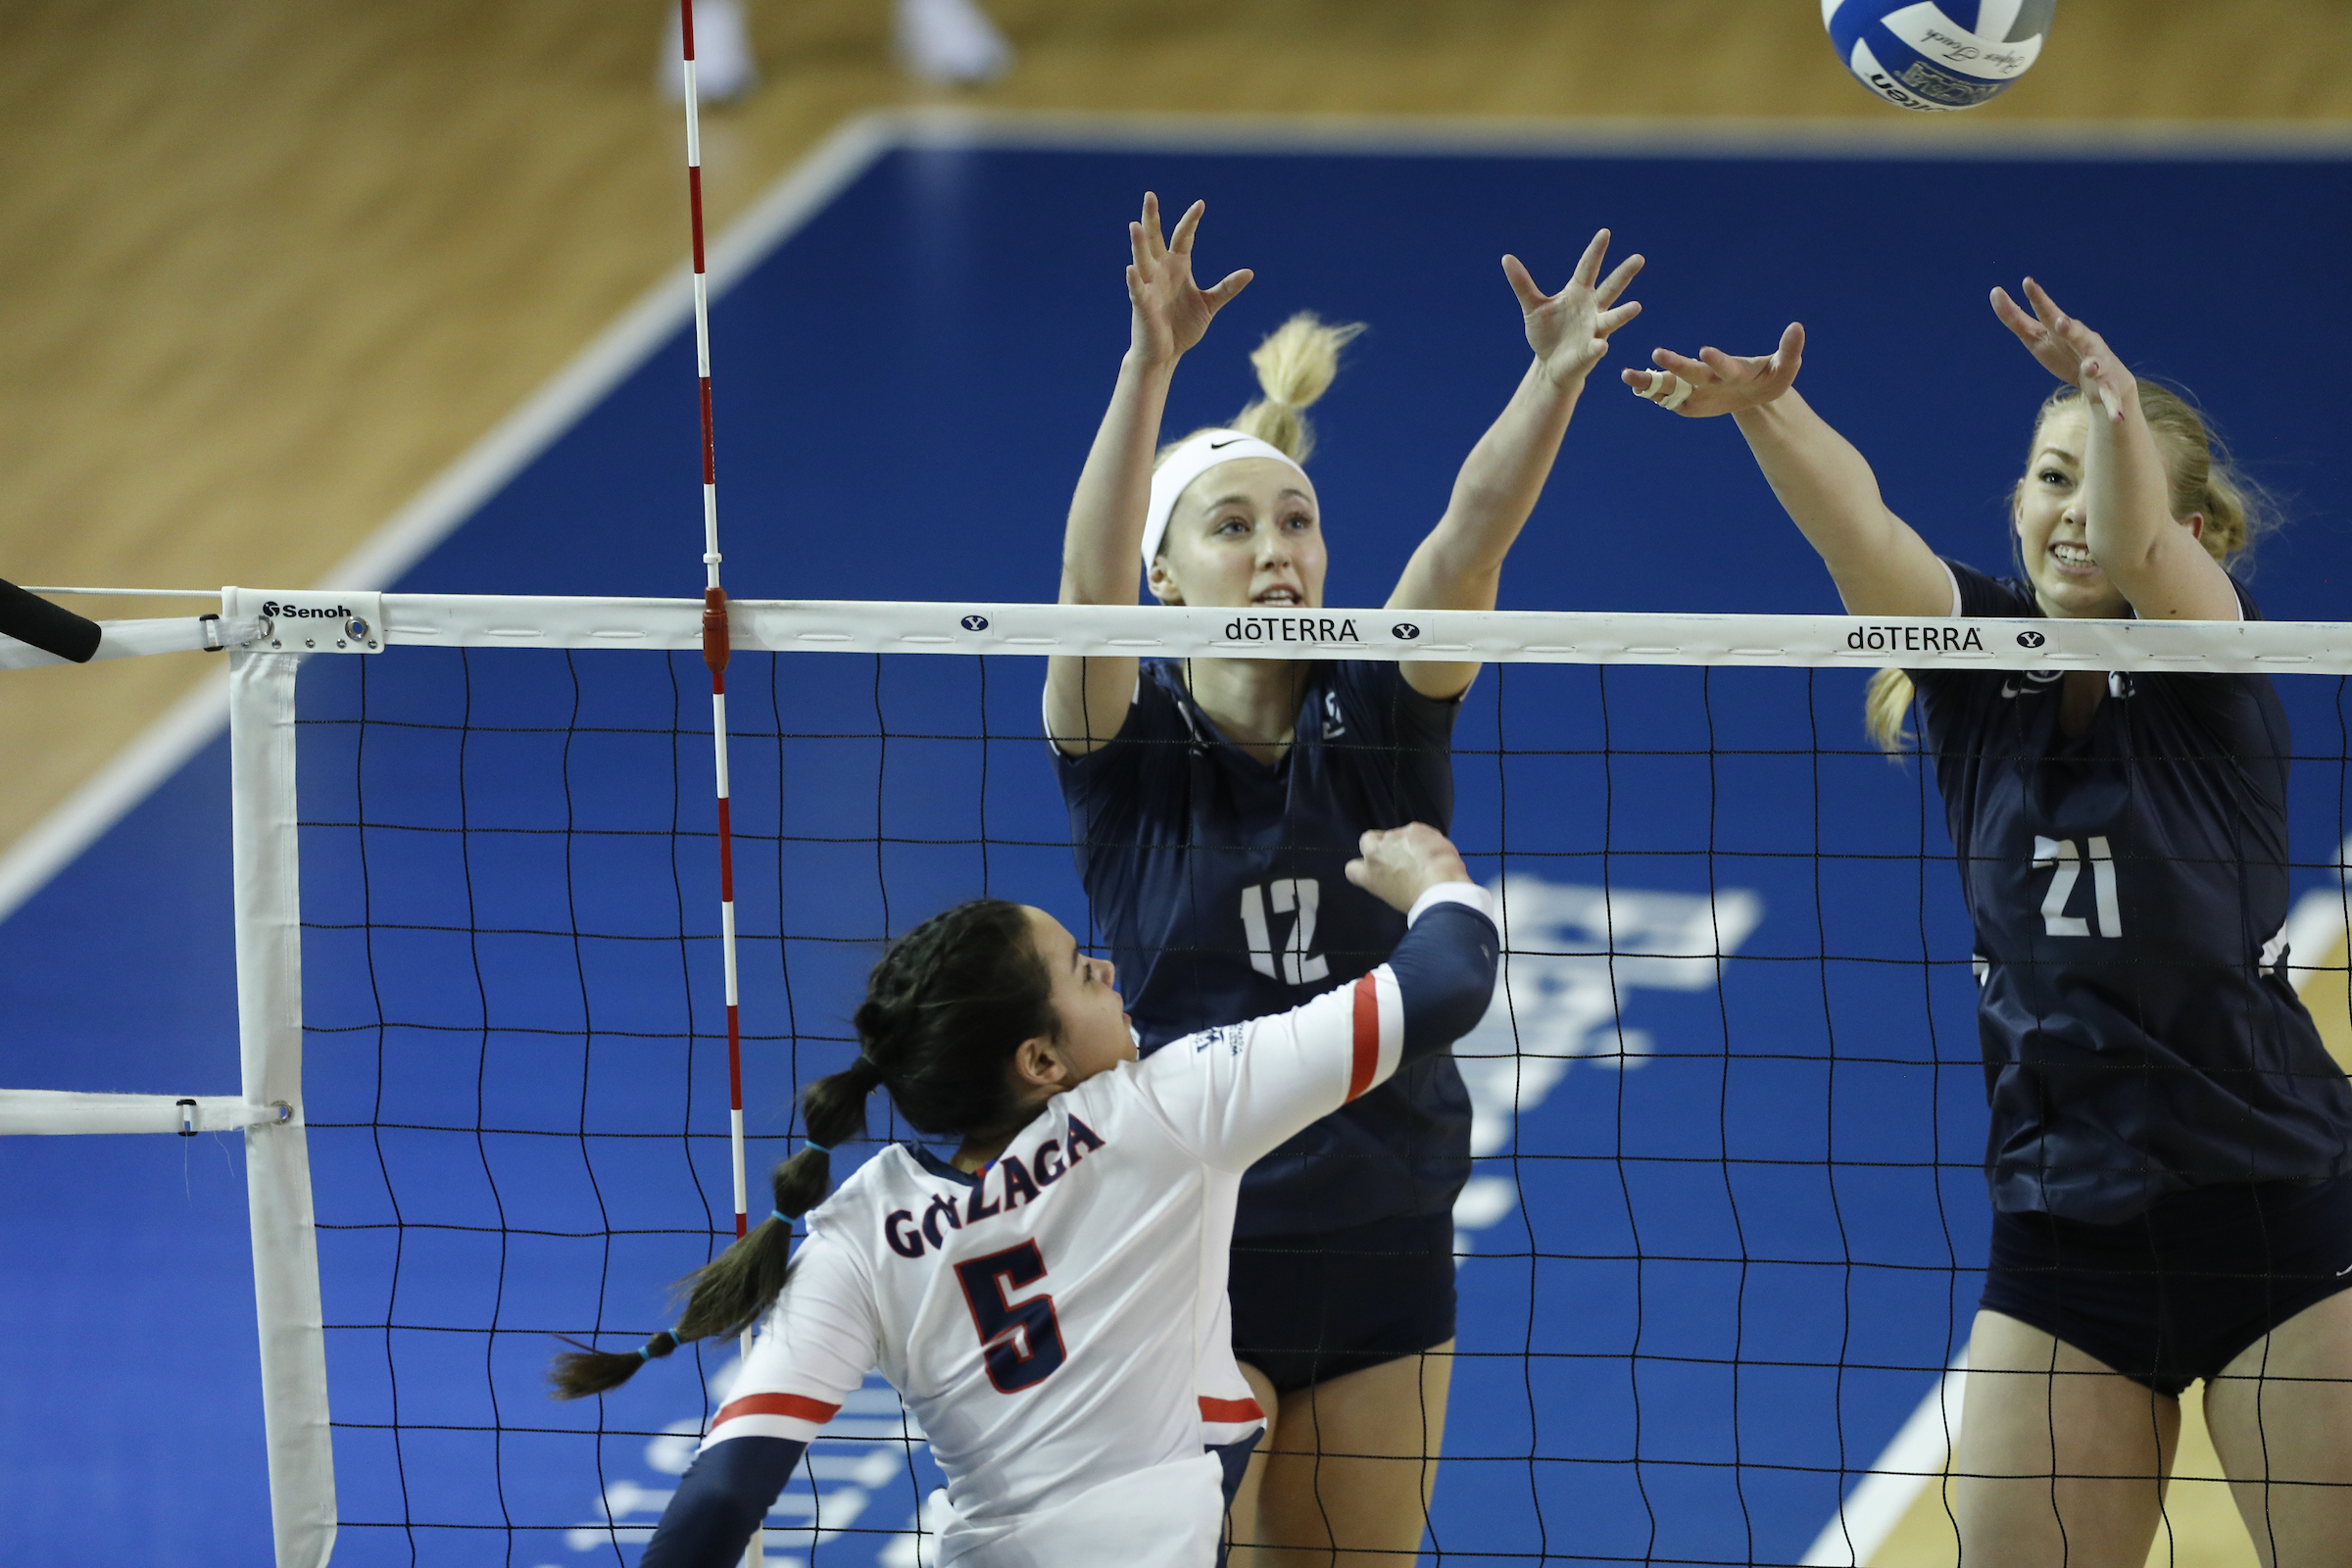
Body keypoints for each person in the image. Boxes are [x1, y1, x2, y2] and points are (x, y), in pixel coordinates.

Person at [1626, 279, 2352, 1567]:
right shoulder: (1974, 669)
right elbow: (1862, 536)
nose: (2071, 512)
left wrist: (2114, 394)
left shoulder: (2218, 664)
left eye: (2100, 477)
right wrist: (1767, 412)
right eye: (2047, 476)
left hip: (2278, 1210)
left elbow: (2138, 557)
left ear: (2188, 530)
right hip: (2064, 1226)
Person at [1046, 193, 1640, 1563]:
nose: (1274, 551)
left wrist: (1552, 380)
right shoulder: (1123, 750)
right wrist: (1151, 369)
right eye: (1231, 528)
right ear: (1163, 575)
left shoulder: (1382, 710)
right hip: (1188, 1251)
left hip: (1386, 1240)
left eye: (1297, 522)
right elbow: (1078, 582)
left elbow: (1468, 539)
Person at [548, 823, 1499, 1568]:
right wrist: (1437, 881)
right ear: (1041, 1060)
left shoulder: (854, 1231)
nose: (1112, 969)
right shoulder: (1169, 1109)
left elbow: (721, 1497)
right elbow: (1448, 981)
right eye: (1085, 971)